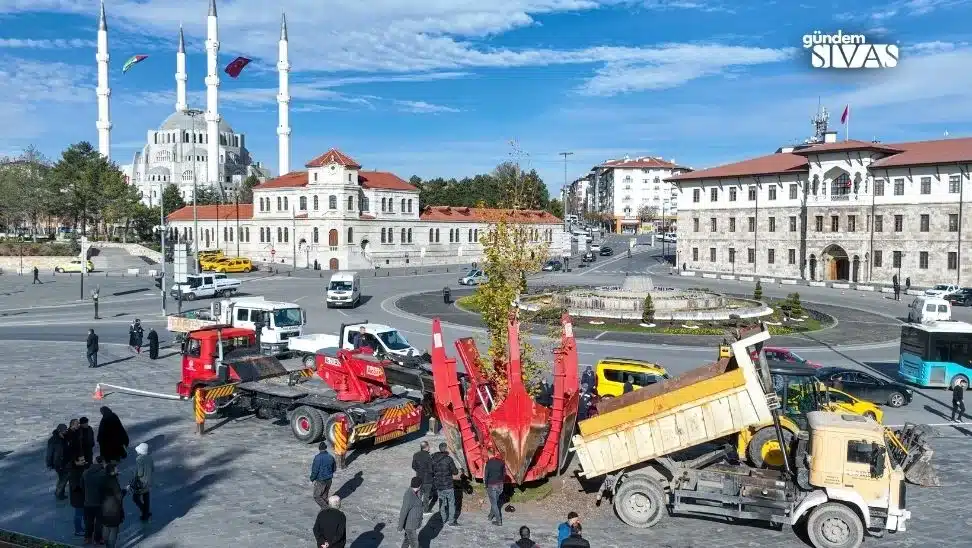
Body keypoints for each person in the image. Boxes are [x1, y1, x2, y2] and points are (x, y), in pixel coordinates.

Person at [431, 442, 460, 526]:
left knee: (442, 502)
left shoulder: (433, 459)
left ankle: (443, 519)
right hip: (448, 485)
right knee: (451, 503)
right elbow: (455, 472)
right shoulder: (448, 459)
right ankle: (451, 521)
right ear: (445, 449)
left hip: (439, 485)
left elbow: (431, 472)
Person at [100, 463, 127, 548]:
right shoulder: (113, 482)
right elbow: (119, 496)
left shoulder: (103, 478)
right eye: (116, 469)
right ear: (112, 471)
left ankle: (106, 543)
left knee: (106, 526)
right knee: (114, 530)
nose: (117, 470)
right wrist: (125, 490)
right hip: (113, 509)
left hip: (104, 507)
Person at [82, 456, 106, 545]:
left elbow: (82, 487)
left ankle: (87, 537)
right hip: (100, 502)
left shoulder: (85, 473)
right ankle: (98, 538)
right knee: (99, 522)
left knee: (88, 521)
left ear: (94, 462)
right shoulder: (103, 474)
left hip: (88, 502)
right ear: (102, 463)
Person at [397, 476, 423, 548]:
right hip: (410, 525)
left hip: (413, 523)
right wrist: (400, 526)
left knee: (407, 540)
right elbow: (404, 511)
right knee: (415, 544)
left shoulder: (416, 492)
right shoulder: (409, 495)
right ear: (419, 485)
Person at [46, 423, 69, 500]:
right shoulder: (53, 440)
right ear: (59, 431)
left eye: (66, 430)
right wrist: (49, 463)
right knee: (63, 478)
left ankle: (60, 492)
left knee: (63, 478)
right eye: (64, 431)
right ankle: (59, 493)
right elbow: (49, 453)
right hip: (58, 463)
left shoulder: (65, 438)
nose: (65, 432)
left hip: (65, 461)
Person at [310, 441, 337, 510]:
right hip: (329, 480)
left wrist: (312, 478)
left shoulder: (317, 458)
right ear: (326, 448)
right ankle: (324, 512)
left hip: (321, 480)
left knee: (317, 496)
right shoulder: (331, 457)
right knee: (324, 497)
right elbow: (334, 468)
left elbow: (315, 470)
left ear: (319, 449)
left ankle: (327, 509)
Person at [410, 441, 435, 512]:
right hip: (428, 479)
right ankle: (425, 510)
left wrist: (419, 471)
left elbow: (413, 466)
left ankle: (416, 508)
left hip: (419, 478)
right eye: (429, 446)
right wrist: (433, 474)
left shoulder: (416, 455)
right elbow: (431, 469)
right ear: (426, 447)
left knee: (419, 495)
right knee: (426, 496)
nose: (429, 447)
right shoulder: (429, 456)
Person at [131, 443, 153, 521]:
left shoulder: (139, 459)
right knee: (146, 498)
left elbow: (140, 473)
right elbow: (152, 469)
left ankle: (144, 511)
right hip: (148, 482)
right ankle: (146, 513)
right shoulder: (150, 458)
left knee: (135, 498)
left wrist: (134, 477)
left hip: (141, 483)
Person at [484, 451, 505, 526]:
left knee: (494, 503)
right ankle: (490, 516)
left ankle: (498, 521)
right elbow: (504, 475)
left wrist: (485, 485)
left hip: (492, 485)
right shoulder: (502, 463)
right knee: (495, 502)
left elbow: (486, 475)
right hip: (500, 485)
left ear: (490, 455)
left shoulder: (489, 463)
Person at [68, 455, 87, 537]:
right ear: (76, 461)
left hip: (81, 497)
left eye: (84, 459)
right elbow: (75, 487)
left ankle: (80, 529)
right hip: (78, 498)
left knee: (81, 514)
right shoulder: (73, 472)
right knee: (78, 515)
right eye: (81, 460)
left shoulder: (80, 468)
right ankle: (78, 530)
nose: (84, 461)